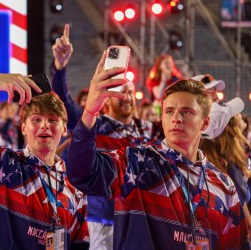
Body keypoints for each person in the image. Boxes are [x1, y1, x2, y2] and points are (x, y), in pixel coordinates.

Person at [66, 53, 248, 249]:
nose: (176, 118)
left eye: (187, 111)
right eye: (169, 111)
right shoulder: (137, 164)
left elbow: (236, 245)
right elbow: (81, 174)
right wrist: (90, 111)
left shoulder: (224, 185)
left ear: (205, 122)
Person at [51, 24, 160, 249]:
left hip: (141, 215)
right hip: (104, 214)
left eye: (130, 92)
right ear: (108, 98)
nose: (128, 97)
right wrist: (60, 68)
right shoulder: (96, 124)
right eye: (121, 92)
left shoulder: (148, 129)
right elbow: (65, 106)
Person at [0, 73, 89, 249]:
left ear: (64, 129)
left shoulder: (75, 187)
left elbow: (80, 245)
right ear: (23, 127)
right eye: (36, 119)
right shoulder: (2, 164)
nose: (45, 125)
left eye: (52, 120)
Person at [200, 97, 251, 238]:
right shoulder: (228, 168)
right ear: (228, 128)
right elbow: (247, 226)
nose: (241, 115)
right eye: (236, 114)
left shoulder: (223, 159)